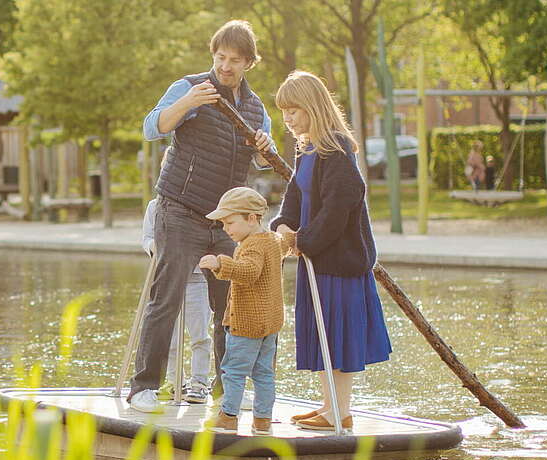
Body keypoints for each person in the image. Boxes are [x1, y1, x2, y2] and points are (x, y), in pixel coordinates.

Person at [129, 19, 277, 413]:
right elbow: (151, 128)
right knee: (167, 299)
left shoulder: (255, 107)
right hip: (179, 209)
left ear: (249, 63)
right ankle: (144, 387)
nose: (226, 66)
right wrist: (188, 103)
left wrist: (263, 147)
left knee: (232, 306)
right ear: (214, 55)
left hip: (226, 222)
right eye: (220, 57)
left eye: (235, 60)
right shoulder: (189, 87)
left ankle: (227, 389)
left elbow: (266, 160)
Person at [270, 71, 392, 431]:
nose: (288, 118)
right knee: (322, 335)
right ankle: (328, 407)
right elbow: (294, 197)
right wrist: (283, 225)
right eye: (284, 112)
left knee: (336, 336)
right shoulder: (307, 149)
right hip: (315, 260)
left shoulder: (336, 149)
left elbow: (338, 207)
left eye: (294, 110)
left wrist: (303, 241)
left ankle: (341, 410)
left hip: (337, 262)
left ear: (313, 106)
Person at [197, 187, 287, 435]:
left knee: (233, 372)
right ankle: (262, 420)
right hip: (270, 322)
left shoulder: (252, 246)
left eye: (230, 222)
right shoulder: (272, 240)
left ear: (251, 218)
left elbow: (248, 272)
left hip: (247, 322)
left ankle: (228, 417)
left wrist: (220, 263)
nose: (226, 229)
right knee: (264, 373)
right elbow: (286, 244)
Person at [141, 198, 214, 403]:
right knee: (170, 336)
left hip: (197, 278)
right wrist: (155, 245)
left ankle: (199, 382)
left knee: (199, 334)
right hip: (168, 276)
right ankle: (175, 381)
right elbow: (146, 238)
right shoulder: (155, 206)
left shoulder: (200, 202)